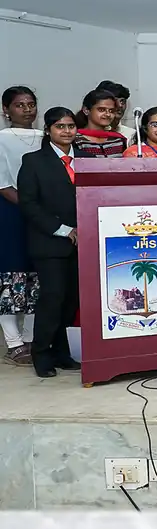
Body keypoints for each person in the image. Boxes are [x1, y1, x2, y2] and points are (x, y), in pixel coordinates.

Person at [16, 107, 80, 377]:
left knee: (71, 302)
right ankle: (41, 354)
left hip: (83, 243)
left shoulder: (86, 159)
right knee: (53, 299)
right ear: (48, 130)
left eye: (70, 126)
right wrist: (64, 230)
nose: (66, 131)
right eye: (60, 126)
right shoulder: (33, 161)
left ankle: (62, 353)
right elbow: (29, 204)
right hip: (50, 243)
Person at [0, 88, 42, 364]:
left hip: (42, 213)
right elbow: (3, 184)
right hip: (11, 211)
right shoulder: (2, 138)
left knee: (37, 276)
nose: (27, 110)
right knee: (10, 276)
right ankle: (13, 342)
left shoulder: (45, 135)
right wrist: (30, 207)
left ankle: (31, 338)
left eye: (31, 104)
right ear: (6, 110)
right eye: (19, 105)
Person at [73, 89, 129, 158]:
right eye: (102, 110)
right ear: (86, 110)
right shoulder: (75, 140)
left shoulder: (118, 140)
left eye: (111, 111)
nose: (108, 114)